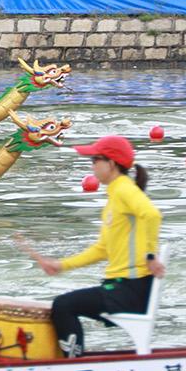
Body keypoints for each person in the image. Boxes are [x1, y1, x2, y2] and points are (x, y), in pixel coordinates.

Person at [30, 134, 163, 356]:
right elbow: (102, 249)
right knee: (65, 304)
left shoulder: (124, 189)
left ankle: (74, 363)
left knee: (63, 305)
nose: (91, 165)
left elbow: (152, 215)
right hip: (121, 287)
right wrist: (62, 265)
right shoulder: (115, 195)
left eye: (94, 160)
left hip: (129, 290)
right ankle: (75, 359)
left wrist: (150, 256)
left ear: (110, 164)